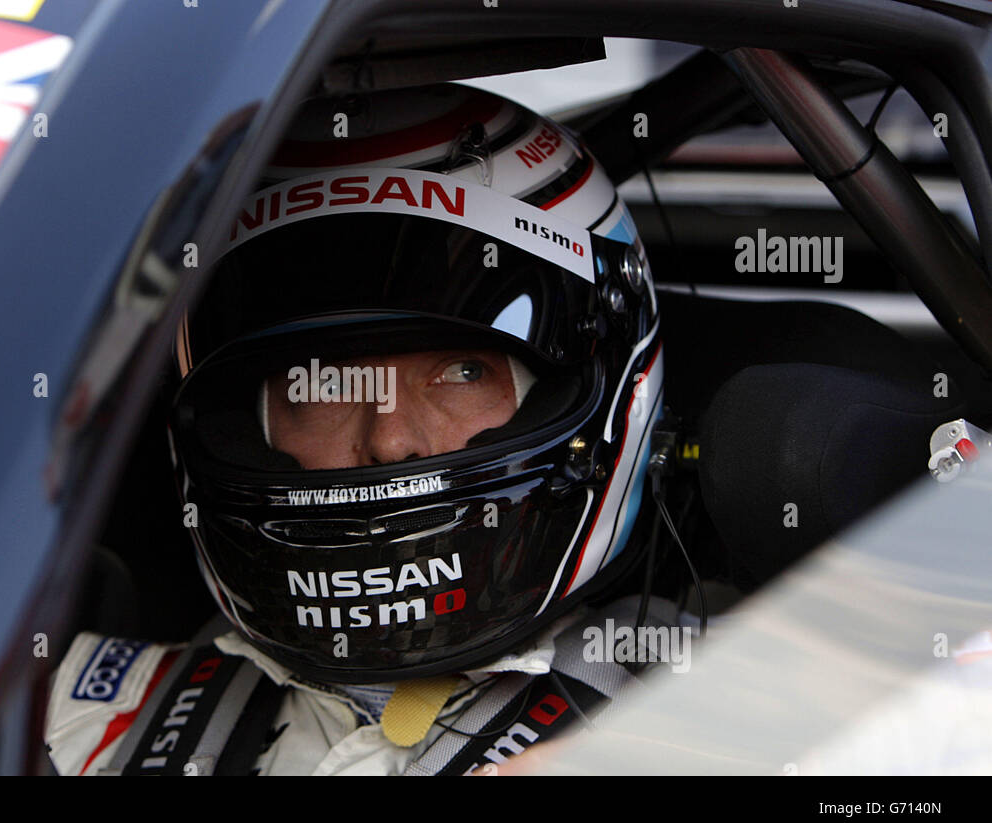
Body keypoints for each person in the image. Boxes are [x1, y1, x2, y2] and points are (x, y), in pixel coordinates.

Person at [44, 82, 690, 776]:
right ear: (243, 430)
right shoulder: (82, 719)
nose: (388, 439)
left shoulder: (730, 708)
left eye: (462, 373)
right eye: (321, 383)